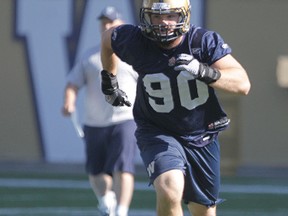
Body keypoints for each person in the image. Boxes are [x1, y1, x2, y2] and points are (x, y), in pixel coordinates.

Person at [100, 0, 251, 216]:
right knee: (170, 187)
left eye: (171, 16)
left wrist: (203, 71)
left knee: (203, 211)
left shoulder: (202, 42)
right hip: (157, 129)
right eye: (156, 16)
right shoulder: (135, 40)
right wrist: (109, 80)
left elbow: (243, 84)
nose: (163, 23)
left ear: (184, 16)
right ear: (146, 17)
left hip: (201, 134)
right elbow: (108, 39)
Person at [62, 6, 138, 216]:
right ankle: (106, 201)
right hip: (95, 121)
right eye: (104, 22)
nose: (107, 26)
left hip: (125, 118)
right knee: (96, 170)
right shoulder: (90, 56)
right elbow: (72, 83)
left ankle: (122, 211)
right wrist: (69, 102)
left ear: (121, 24)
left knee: (124, 167)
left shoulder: (133, 54)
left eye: (111, 21)